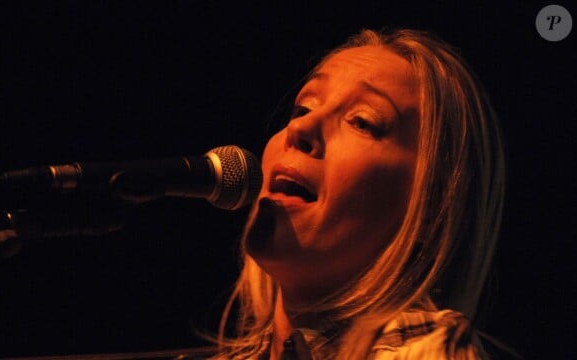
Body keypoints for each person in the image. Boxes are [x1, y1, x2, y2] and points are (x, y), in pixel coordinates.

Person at [210, 27, 507, 359]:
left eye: (362, 122)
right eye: (303, 108)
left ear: (431, 213)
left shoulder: (427, 350)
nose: (299, 127)